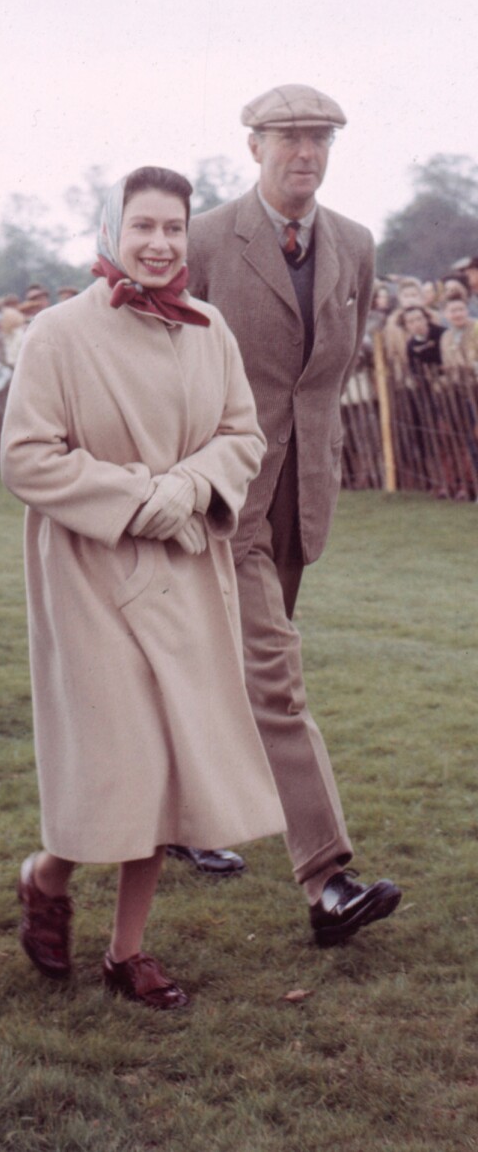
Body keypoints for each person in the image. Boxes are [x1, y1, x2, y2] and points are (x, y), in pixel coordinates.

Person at [0, 166, 285, 1010]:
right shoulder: (56, 335)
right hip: (94, 575)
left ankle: (128, 952)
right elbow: (26, 457)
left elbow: (243, 434)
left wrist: (188, 489)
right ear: (111, 231)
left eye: (173, 228)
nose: (159, 244)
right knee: (115, 763)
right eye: (143, 227)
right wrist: (135, 498)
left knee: (166, 766)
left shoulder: (212, 328)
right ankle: (48, 874)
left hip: (188, 570)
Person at [181, 84, 402, 945]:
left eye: (320, 140)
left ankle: (177, 824)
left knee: (227, 675)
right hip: (220, 497)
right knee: (275, 678)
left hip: (304, 495)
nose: (305, 153)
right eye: (288, 138)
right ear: (252, 147)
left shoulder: (354, 243)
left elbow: (331, 369)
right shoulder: (203, 240)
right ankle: (328, 879)